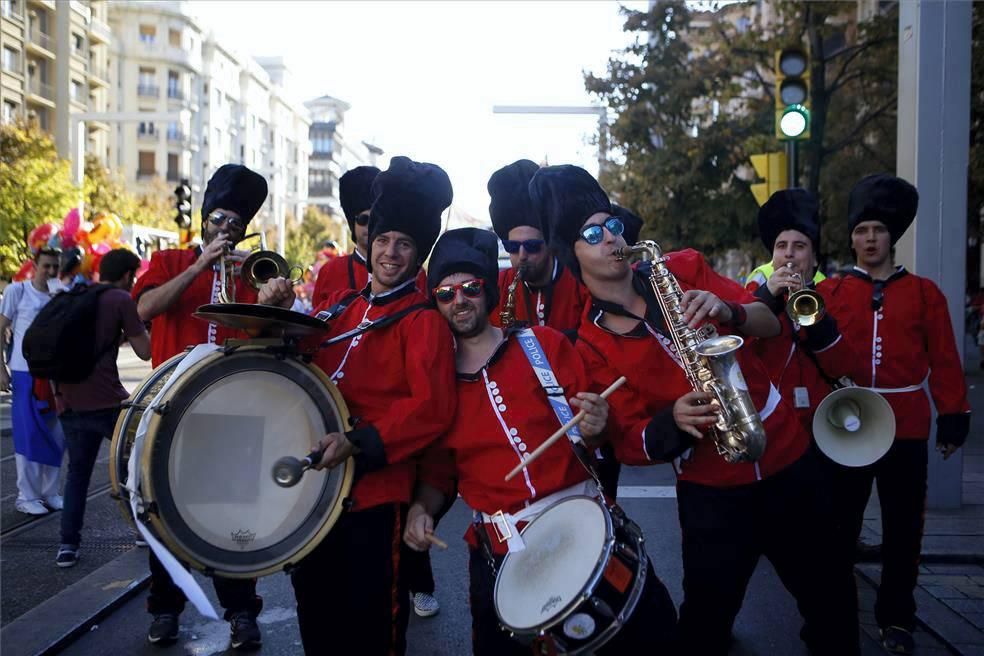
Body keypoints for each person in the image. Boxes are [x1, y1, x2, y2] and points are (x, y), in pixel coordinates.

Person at [533, 164, 860, 656]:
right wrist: (673, 422)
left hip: (790, 461)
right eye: (592, 233)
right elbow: (627, 437)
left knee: (832, 599)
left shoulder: (682, 267)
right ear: (571, 252)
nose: (611, 238)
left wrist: (729, 311)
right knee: (706, 620)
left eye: (614, 226)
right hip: (713, 491)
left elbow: (769, 325)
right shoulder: (588, 344)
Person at [403, 227, 679, 656]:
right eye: (445, 292)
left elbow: (603, 429)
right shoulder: (437, 382)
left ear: (487, 291)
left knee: (651, 639)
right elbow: (440, 472)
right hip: (503, 551)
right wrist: (421, 510)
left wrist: (598, 422)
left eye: (471, 288)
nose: (459, 300)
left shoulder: (544, 346)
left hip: (585, 522)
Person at [259, 156, 457, 656]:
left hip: (374, 499)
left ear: (419, 253)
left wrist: (356, 441)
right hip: (315, 497)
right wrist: (275, 314)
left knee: (372, 632)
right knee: (317, 619)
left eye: (405, 244)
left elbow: (431, 408)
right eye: (384, 239)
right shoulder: (344, 306)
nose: (390, 252)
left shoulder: (424, 321)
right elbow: (300, 365)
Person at [816, 174, 971, 656]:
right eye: (861, 231)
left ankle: (897, 617)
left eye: (877, 231)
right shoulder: (834, 291)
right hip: (848, 423)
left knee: (905, 531)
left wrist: (953, 413)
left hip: (905, 425)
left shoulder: (925, 293)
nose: (868, 239)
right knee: (839, 528)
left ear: (891, 237)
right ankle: (833, 615)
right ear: (852, 238)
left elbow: (945, 358)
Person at [131, 164, 268, 650]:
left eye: (234, 223)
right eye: (218, 219)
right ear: (204, 220)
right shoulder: (169, 261)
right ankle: (165, 609)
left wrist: (275, 299)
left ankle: (241, 614)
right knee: (163, 516)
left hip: (234, 418)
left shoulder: (252, 273)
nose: (224, 229)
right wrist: (199, 266)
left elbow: (267, 339)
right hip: (170, 412)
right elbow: (144, 311)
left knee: (235, 525)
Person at [54, 249, 151, 568]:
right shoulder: (120, 300)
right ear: (127, 276)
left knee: (77, 475)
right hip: (108, 403)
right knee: (134, 462)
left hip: (69, 402)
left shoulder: (76, 295)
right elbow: (144, 351)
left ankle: (68, 545)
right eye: (133, 277)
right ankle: (140, 529)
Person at [745, 188, 857, 432]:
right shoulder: (754, 293)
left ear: (814, 258)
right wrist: (766, 297)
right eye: (781, 246)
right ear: (773, 257)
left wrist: (811, 309)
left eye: (799, 246)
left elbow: (842, 366)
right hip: (771, 420)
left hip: (821, 421)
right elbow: (744, 351)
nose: (788, 253)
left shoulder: (831, 294)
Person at [488, 159, 589, 333]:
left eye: (532, 246)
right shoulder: (498, 286)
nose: (522, 255)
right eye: (511, 246)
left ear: (550, 243)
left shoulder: (581, 283)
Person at [0, 248, 64, 516]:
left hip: (56, 375)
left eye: (55, 267)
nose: (50, 272)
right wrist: (1, 369)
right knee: (29, 434)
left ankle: (50, 492)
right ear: (34, 265)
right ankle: (26, 495)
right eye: (46, 266)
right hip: (25, 372)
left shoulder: (61, 292)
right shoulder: (18, 291)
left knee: (57, 435)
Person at [311, 166, 426, 304]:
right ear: (352, 223)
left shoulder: (412, 271)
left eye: (375, 220)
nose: (370, 226)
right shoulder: (330, 271)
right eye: (364, 219)